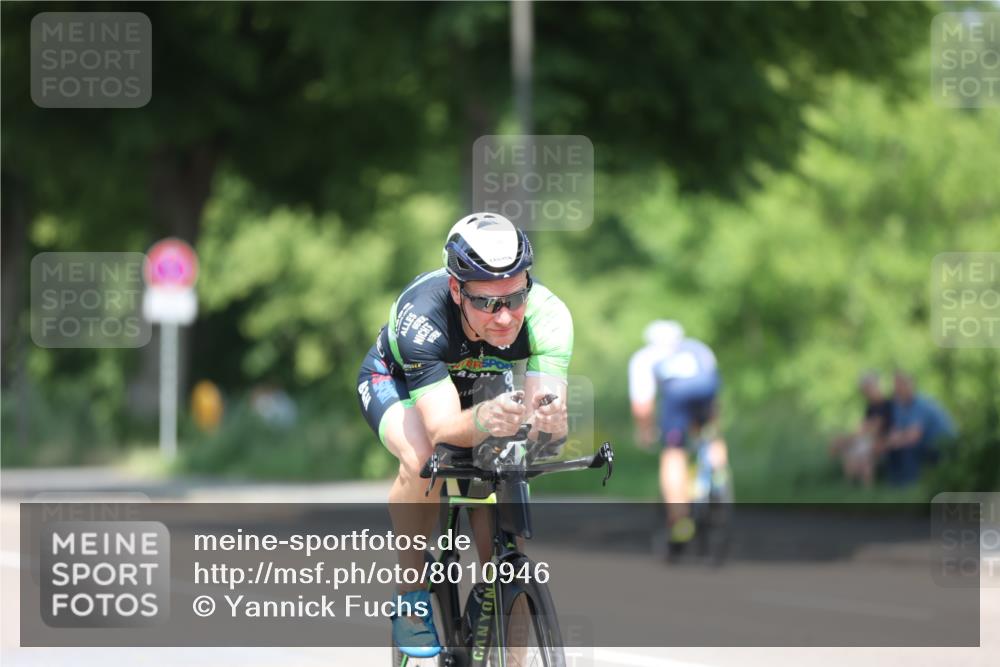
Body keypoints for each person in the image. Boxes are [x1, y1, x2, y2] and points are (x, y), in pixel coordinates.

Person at [355, 212, 572, 658]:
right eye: (489, 304)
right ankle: (411, 593)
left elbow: (546, 416)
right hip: (400, 385)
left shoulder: (549, 317)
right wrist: (485, 420)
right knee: (423, 458)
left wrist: (550, 426)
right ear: (457, 290)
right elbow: (442, 428)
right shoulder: (421, 315)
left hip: (481, 385)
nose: (506, 317)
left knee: (505, 491)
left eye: (516, 297)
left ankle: (502, 613)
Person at [628, 320, 728, 549]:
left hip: (677, 394)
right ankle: (718, 474)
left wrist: (646, 432)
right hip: (706, 389)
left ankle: (680, 520)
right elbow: (714, 396)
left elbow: (642, 407)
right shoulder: (698, 347)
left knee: (673, 452)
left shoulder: (645, 357)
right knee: (710, 434)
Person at [883, 370, 957, 485]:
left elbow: (914, 436)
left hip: (943, 444)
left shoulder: (922, 403)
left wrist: (894, 441)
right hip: (923, 442)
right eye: (896, 385)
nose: (897, 389)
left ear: (910, 385)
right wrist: (889, 442)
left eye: (901, 384)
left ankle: (909, 482)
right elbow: (896, 431)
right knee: (893, 447)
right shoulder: (898, 404)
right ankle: (895, 481)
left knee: (908, 446)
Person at [829, 372, 893, 488]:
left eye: (869, 388)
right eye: (865, 390)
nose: (867, 392)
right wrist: (850, 438)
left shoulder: (886, 404)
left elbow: (874, 428)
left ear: (876, 386)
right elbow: (863, 427)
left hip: (883, 440)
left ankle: (865, 489)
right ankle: (850, 486)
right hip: (870, 439)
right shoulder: (870, 406)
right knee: (847, 450)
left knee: (860, 453)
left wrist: (851, 438)